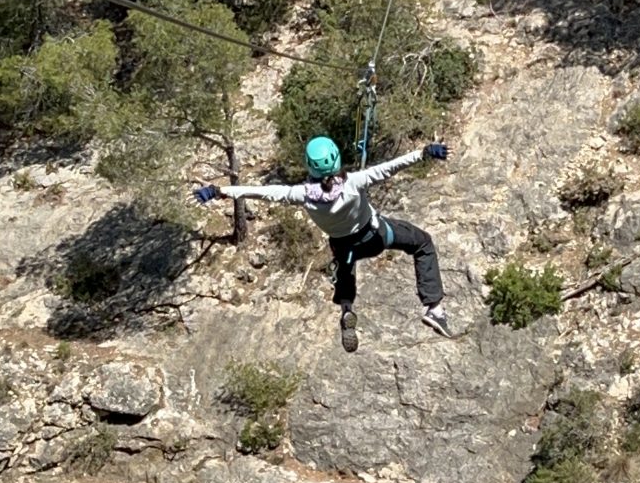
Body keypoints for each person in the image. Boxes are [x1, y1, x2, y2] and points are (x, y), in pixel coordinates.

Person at [193, 137, 452, 353]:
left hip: (346, 249)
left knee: (345, 269)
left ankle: (347, 307)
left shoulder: (301, 195)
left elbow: (263, 191)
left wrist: (219, 191)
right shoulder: (355, 182)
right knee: (422, 244)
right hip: (376, 238)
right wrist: (424, 152)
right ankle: (434, 308)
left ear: (310, 166)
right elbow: (390, 167)